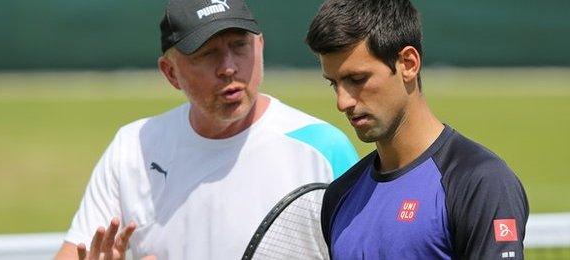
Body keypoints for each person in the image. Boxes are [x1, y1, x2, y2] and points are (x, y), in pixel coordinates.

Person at [55, 0, 359, 259]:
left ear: (260, 47)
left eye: (240, 46)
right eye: (207, 53)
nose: (228, 66)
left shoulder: (322, 148)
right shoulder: (132, 147)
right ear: (170, 73)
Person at [305, 0, 529, 259]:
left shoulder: (480, 182)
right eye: (334, 84)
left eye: (357, 80)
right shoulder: (340, 196)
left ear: (408, 64)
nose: (342, 102)